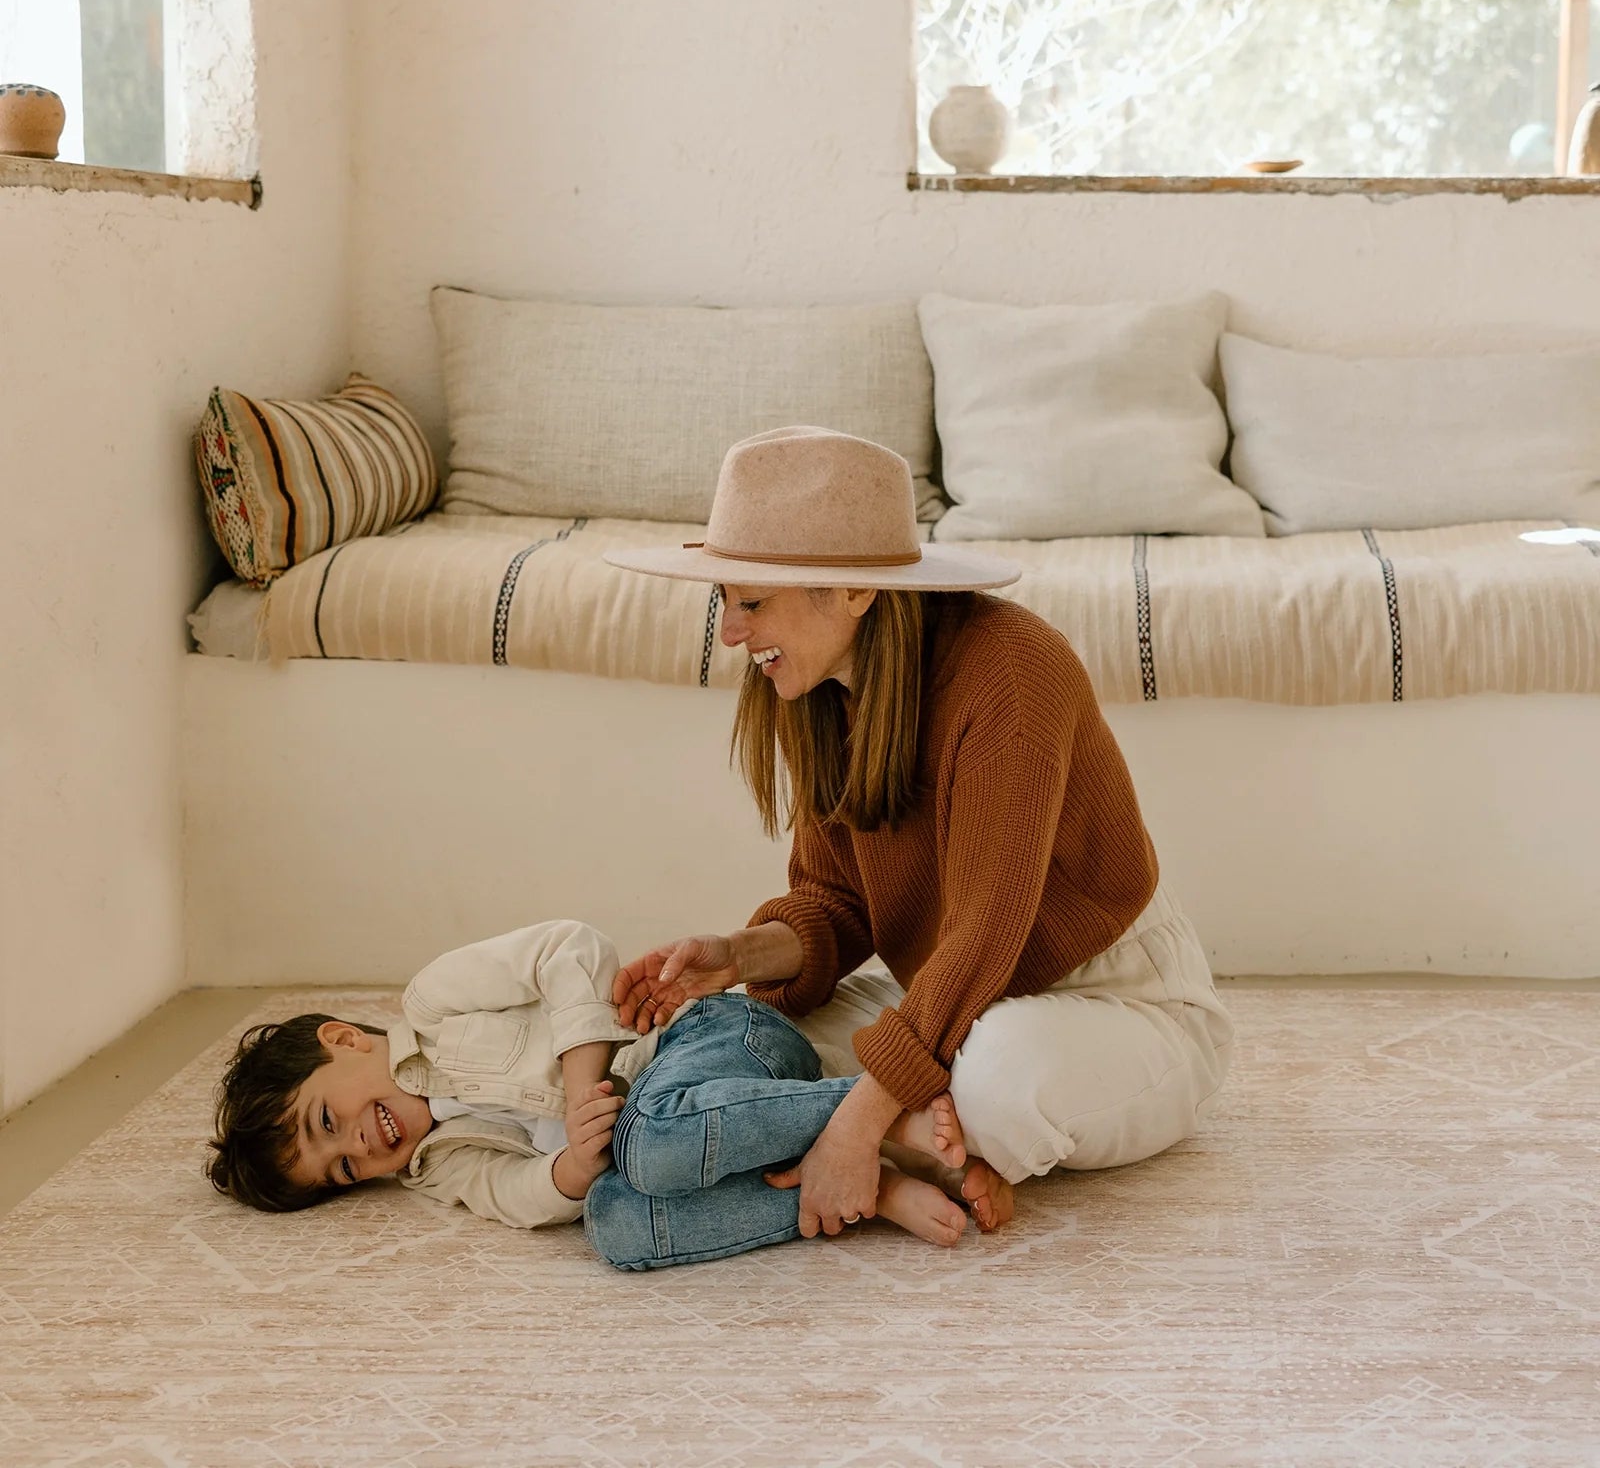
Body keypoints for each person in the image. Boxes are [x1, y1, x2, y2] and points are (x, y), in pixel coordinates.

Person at [605, 426, 1235, 1241]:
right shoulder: (822, 691)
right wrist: (740, 954)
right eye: (723, 600)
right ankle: (918, 1150)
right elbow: (838, 901)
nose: (730, 632)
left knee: (996, 1083)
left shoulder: (1011, 673)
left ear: (856, 593)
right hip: (959, 997)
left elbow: (982, 934)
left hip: (1110, 998)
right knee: (710, 1044)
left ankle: (885, 1141)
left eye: (751, 601)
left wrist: (859, 1120)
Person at [205, 918, 975, 1267]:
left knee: (647, 1138)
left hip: (715, 1040)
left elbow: (565, 948)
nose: (357, 1144)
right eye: (339, 1167)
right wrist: (571, 1168)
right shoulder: (436, 1168)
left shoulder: (434, 1002)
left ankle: (873, 1109)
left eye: (327, 1121)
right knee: (614, 1227)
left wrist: (583, 1087)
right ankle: (865, 1186)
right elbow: (517, 1194)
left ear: (340, 1041)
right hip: (677, 1149)